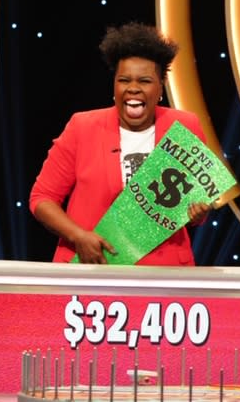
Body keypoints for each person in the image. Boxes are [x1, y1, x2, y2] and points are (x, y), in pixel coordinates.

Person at [29, 22, 210, 265]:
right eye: (124, 80)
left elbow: (195, 207)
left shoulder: (184, 126)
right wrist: (78, 236)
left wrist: (199, 213)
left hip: (163, 273)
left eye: (144, 81)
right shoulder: (82, 127)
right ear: (115, 87)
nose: (133, 88)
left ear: (160, 89)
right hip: (91, 267)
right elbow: (42, 198)